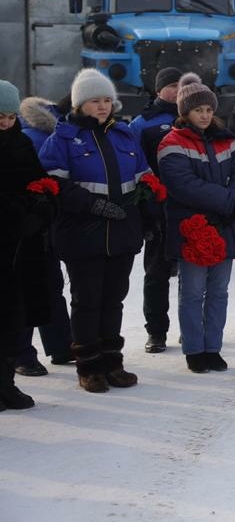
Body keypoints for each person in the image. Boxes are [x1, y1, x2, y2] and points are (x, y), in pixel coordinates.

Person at [39, 69, 151, 393]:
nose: (102, 107)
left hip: (122, 231)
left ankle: (112, 362)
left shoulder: (125, 135)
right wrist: (92, 205)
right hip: (82, 232)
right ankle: (89, 365)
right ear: (79, 104)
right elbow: (53, 184)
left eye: (106, 100)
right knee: (87, 300)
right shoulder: (62, 138)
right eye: (94, 101)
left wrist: (150, 214)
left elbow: (144, 177)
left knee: (113, 299)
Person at [158, 74, 235, 373]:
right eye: (199, 110)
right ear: (185, 112)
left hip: (223, 226)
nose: (205, 115)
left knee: (219, 291)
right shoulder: (171, 143)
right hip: (194, 229)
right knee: (192, 292)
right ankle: (194, 349)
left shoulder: (227, 140)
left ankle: (213, 347)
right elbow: (183, 184)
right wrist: (227, 200)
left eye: (209, 110)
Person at [1, 79, 58, 409]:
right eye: (0, 118)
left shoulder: (21, 143)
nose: (7, 124)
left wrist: (43, 207)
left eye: (11, 117)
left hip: (22, 250)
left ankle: (6, 383)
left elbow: (41, 183)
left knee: (15, 319)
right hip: (5, 242)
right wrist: (17, 210)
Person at [12, 92, 73, 374]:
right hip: (17, 229)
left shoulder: (52, 134)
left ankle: (59, 346)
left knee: (48, 285)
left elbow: (44, 186)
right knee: (24, 292)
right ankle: (23, 354)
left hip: (41, 227)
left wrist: (45, 208)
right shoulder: (36, 138)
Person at [128, 66, 183, 353]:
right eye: (170, 85)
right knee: (157, 274)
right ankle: (157, 332)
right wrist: (147, 210)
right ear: (158, 90)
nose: (176, 90)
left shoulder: (197, 116)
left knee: (193, 275)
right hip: (159, 210)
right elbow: (135, 167)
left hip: (191, 208)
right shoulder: (142, 123)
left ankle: (193, 329)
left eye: (180, 85)